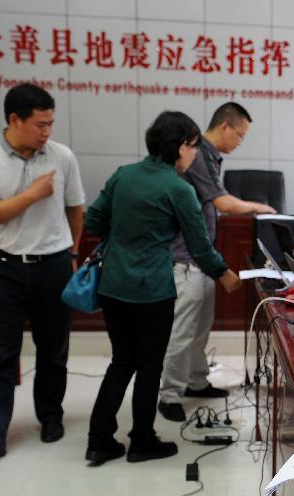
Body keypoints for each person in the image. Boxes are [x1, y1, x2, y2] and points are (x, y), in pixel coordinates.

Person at [83, 111, 241, 465]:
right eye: (194, 148)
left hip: (113, 285)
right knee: (149, 365)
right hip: (152, 289)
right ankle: (142, 440)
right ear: (182, 146)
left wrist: (125, 240)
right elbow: (199, 246)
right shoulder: (178, 188)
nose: (194, 156)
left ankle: (99, 440)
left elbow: (93, 221)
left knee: (121, 361)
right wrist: (223, 272)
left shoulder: (123, 175)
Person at [0, 84, 84, 459]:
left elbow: (75, 207)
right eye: (40, 124)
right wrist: (32, 194)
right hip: (3, 268)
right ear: (14, 120)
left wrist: (73, 252)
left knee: (54, 350)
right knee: (0, 353)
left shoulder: (62, 156)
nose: (47, 132)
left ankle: (50, 417)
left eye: (50, 124)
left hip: (53, 265)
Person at [157, 103, 274, 423]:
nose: (240, 141)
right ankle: (170, 394)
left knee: (199, 326)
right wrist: (259, 207)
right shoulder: (197, 153)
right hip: (186, 257)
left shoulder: (208, 156)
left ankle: (195, 381)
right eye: (240, 135)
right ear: (225, 126)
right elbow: (223, 202)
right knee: (183, 330)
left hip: (202, 257)